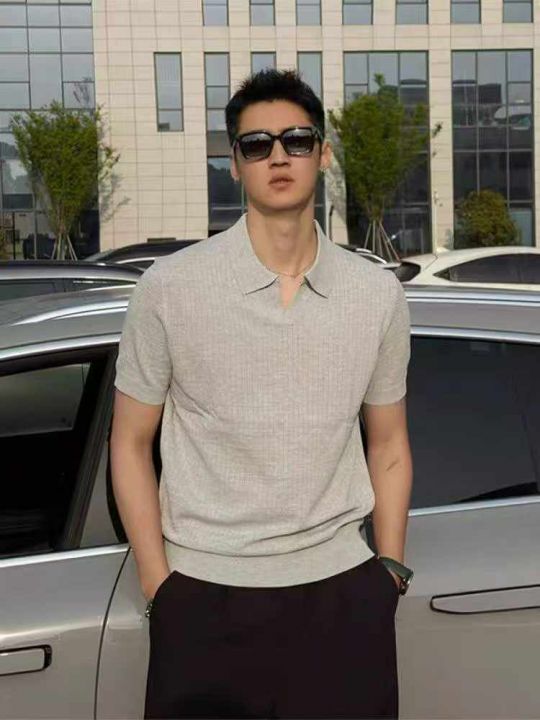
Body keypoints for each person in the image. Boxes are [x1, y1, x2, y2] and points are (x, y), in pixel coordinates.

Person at [111, 68, 414, 720]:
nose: (278, 156)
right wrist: (160, 586)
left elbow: (388, 443)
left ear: (322, 153)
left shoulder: (376, 294)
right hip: (204, 597)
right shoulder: (169, 289)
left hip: (344, 599)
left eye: (297, 140)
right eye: (257, 144)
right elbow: (129, 444)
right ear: (234, 164)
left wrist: (389, 570)